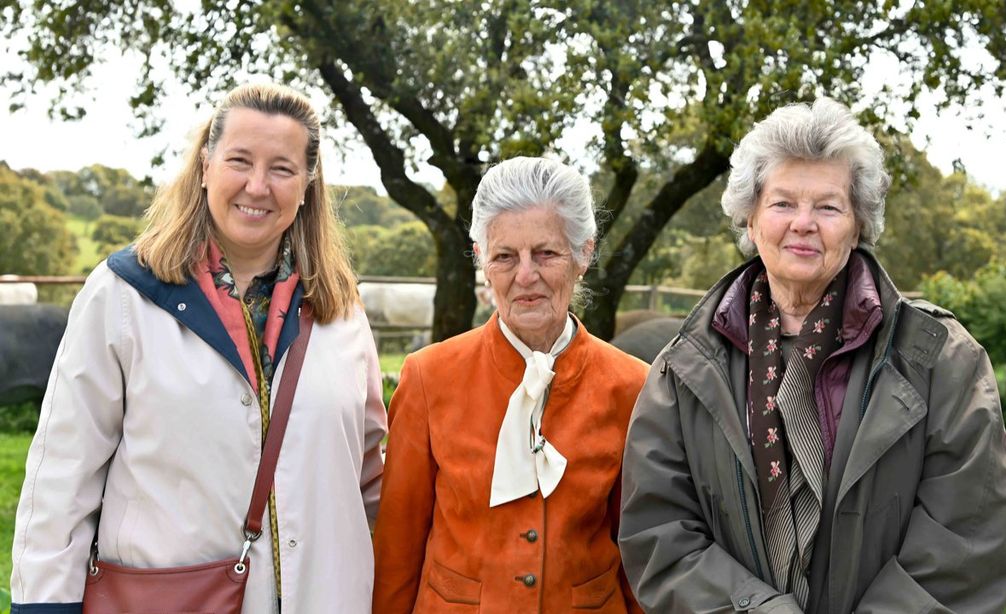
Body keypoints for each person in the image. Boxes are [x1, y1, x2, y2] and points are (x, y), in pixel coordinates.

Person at [618, 97, 1006, 613]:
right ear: (751, 218)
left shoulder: (940, 359)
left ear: (858, 225)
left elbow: (967, 542)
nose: (804, 223)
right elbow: (661, 536)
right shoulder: (685, 367)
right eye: (783, 203)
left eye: (828, 207)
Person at [11, 83, 387, 613]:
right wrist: (45, 604)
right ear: (206, 166)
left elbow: (371, 474)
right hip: (167, 599)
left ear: (307, 184)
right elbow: (62, 474)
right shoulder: (125, 295)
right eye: (240, 160)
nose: (258, 186)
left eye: (282, 168)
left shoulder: (340, 311)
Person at [372, 157, 648, 613]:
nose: (525, 276)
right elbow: (397, 549)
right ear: (481, 259)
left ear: (583, 254)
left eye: (546, 253)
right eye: (505, 256)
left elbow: (638, 553)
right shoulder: (428, 377)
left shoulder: (633, 386)